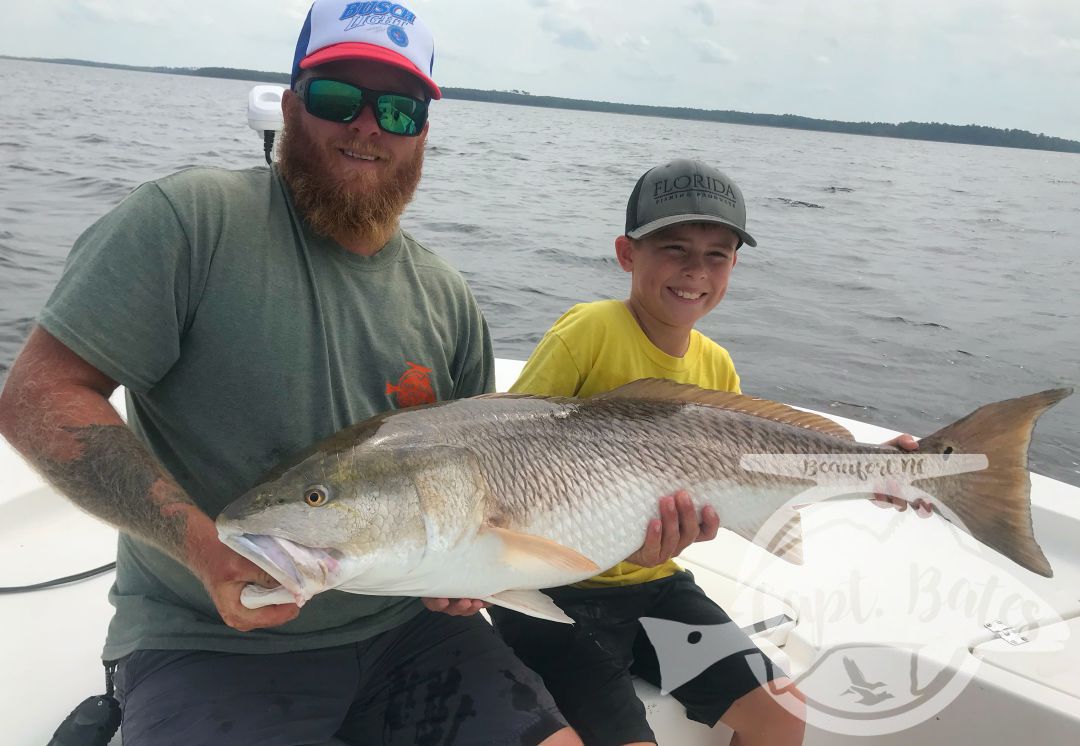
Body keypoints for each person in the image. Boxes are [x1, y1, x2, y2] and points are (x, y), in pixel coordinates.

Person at [0, 3, 603, 744]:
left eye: (398, 108)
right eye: (336, 96)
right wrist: (200, 546)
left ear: (422, 131)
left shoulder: (444, 296)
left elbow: (486, 484)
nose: (367, 125)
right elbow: (38, 395)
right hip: (208, 644)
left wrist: (470, 576)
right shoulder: (190, 223)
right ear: (290, 106)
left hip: (409, 634)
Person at [489, 158, 924, 746]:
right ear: (626, 254)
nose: (696, 270)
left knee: (787, 716)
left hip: (658, 588)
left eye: (717, 254)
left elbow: (741, 479)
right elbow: (507, 449)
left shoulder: (716, 366)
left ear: (734, 266)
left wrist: (880, 466)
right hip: (556, 599)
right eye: (674, 248)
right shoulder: (587, 331)